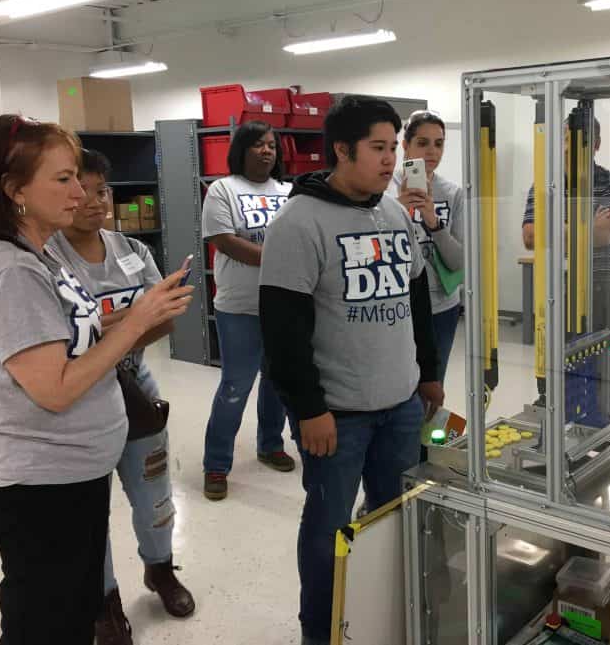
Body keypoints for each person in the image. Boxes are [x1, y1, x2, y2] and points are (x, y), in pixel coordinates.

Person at [0, 115, 192, 645]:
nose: (81, 193)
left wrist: (146, 309)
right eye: (63, 179)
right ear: (14, 190)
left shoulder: (38, 256)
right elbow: (55, 388)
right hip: (39, 487)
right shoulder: (10, 270)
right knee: (46, 625)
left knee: (68, 614)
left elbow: (67, 338)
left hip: (70, 475)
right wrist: (136, 320)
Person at [258, 95, 444, 645]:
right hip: (337, 416)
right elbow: (282, 330)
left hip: (401, 406)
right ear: (342, 150)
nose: (391, 160)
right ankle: (320, 631)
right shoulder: (299, 222)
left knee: (392, 521)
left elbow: (416, 300)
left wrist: (428, 372)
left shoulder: (393, 213)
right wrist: (309, 409)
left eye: (393, 148)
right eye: (378, 148)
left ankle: (380, 621)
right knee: (327, 529)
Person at [46, 150, 195, 645]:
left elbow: (166, 318)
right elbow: (61, 344)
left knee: (154, 493)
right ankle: (104, 600)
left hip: (136, 387)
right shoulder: (47, 259)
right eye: (80, 188)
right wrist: (134, 320)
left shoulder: (132, 249)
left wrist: (109, 332)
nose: (93, 200)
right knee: (91, 510)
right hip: (80, 398)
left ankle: (160, 568)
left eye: (102, 190)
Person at [201, 121, 295, 501]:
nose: (267, 150)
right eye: (258, 144)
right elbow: (225, 242)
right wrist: (281, 260)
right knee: (235, 386)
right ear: (241, 149)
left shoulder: (288, 192)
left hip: (283, 304)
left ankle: (270, 445)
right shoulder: (223, 189)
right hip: (239, 306)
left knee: (277, 381)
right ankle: (216, 464)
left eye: (271, 144)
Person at [521, 117, 610, 420]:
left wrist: (557, 229)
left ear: (596, 145)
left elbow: (606, 234)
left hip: (601, 287)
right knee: (555, 366)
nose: (569, 146)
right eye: (566, 138)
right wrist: (586, 228)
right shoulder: (544, 185)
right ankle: (560, 429)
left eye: (580, 139)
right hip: (556, 289)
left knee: (605, 366)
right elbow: (530, 238)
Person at [391, 110, 464, 380]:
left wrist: (433, 222)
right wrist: (397, 209)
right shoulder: (385, 189)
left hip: (441, 305)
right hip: (398, 303)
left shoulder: (453, 193)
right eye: (422, 143)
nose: (432, 151)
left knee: (433, 382)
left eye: (439, 143)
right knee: (400, 383)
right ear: (405, 145)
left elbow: (459, 261)